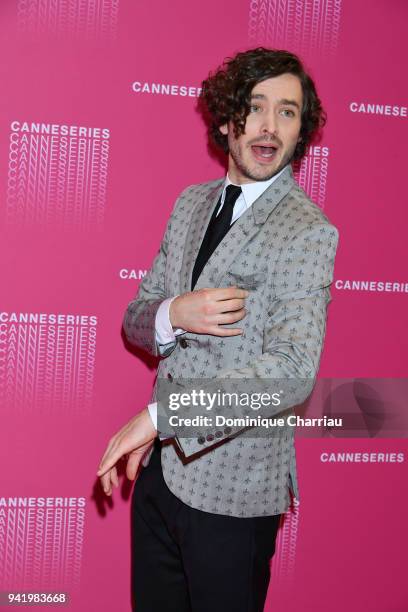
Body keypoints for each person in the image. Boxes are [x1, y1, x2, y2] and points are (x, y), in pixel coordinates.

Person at [97, 47, 339, 612]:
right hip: (158, 480)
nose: (269, 127)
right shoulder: (190, 204)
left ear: (302, 130)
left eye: (288, 112)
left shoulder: (307, 231)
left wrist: (162, 419)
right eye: (255, 108)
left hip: (234, 493)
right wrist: (172, 313)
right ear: (227, 119)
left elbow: (291, 374)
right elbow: (137, 315)